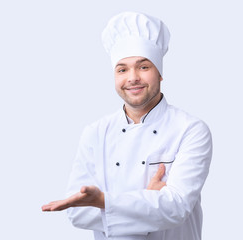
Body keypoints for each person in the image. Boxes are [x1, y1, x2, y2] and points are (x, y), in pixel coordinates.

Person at [41, 11, 212, 240]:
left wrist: (104, 203)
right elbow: (76, 211)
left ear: (160, 73)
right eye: (122, 69)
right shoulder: (95, 132)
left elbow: (177, 207)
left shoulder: (190, 130)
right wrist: (150, 202)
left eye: (143, 67)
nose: (132, 78)